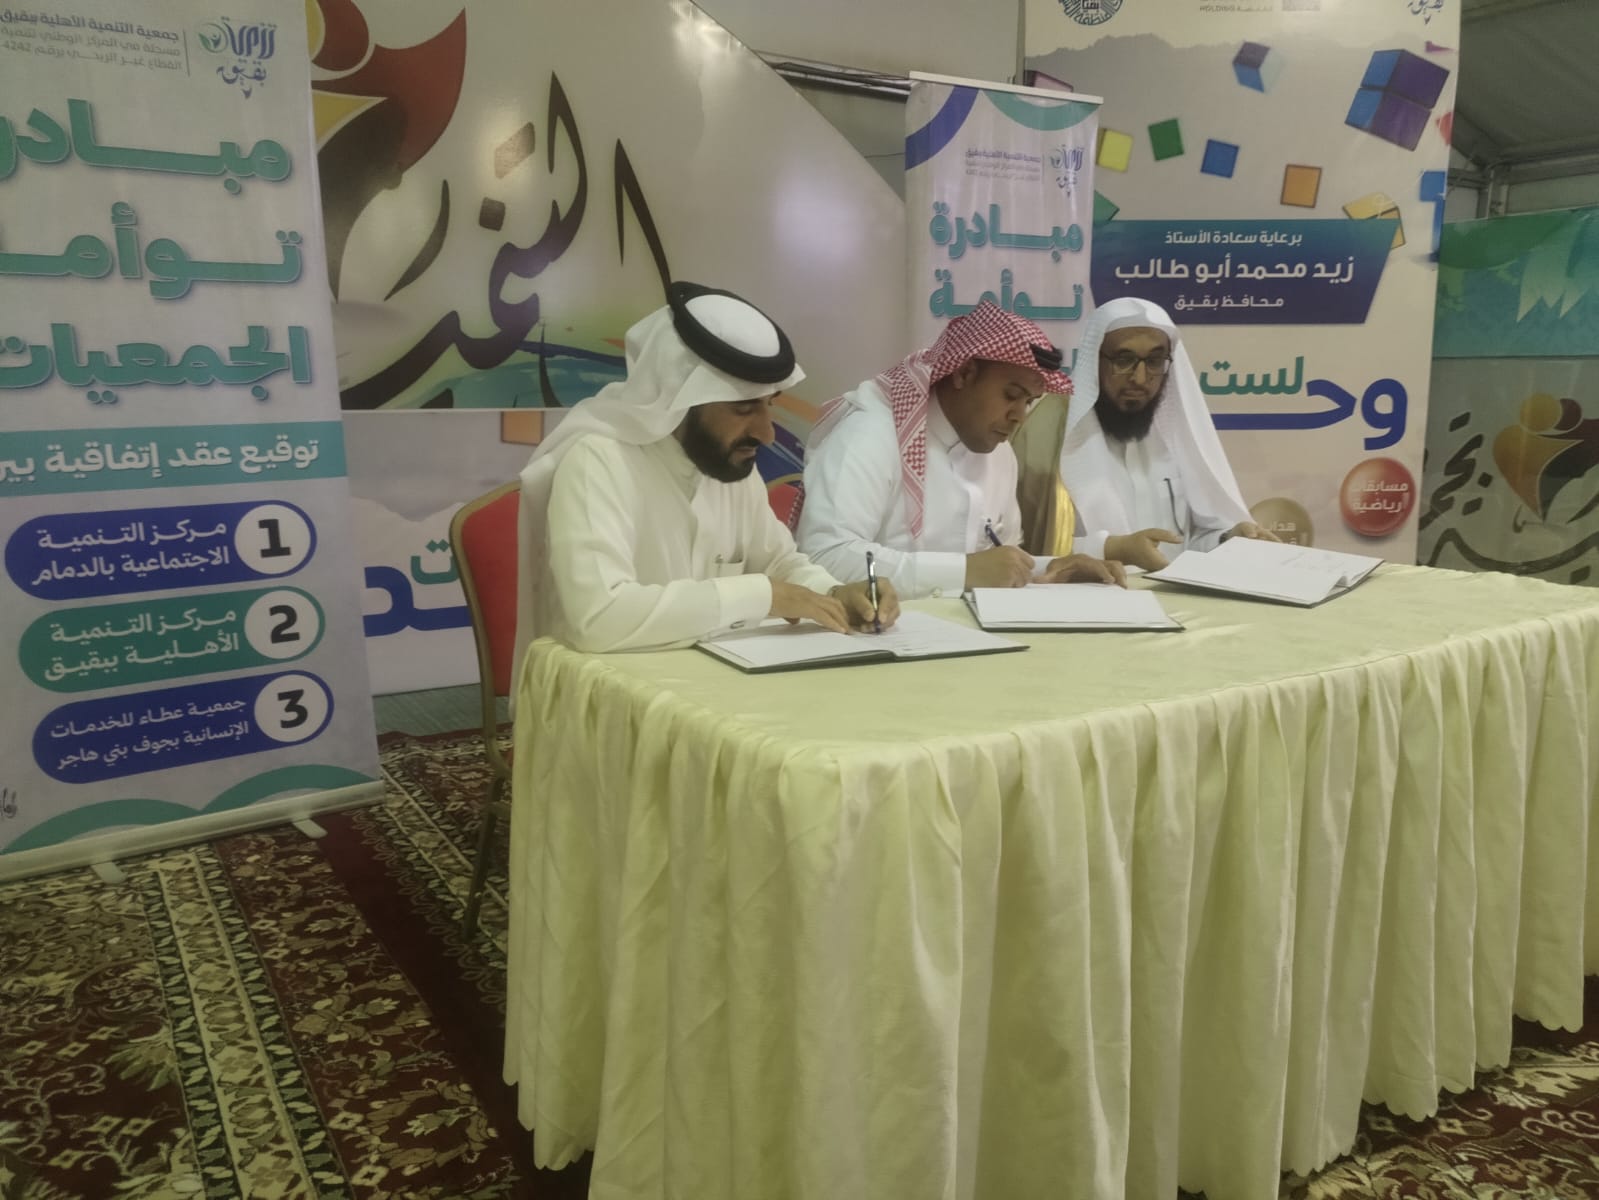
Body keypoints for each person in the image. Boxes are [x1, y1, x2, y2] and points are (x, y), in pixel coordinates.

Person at [513, 282, 898, 665]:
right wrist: (760, 595)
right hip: (614, 692)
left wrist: (832, 594)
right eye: (744, 409)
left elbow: (778, 564)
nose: (766, 433)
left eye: (768, 405)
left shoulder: (729, 465)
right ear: (680, 400)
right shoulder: (597, 462)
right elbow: (597, 618)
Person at [796, 302, 1122, 598]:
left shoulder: (999, 452)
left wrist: (1050, 569)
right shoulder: (869, 435)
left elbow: (998, 564)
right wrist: (963, 572)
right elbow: (824, 556)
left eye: (1028, 402)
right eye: (1011, 395)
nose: (1020, 416)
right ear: (964, 373)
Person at [1011, 296, 1278, 571]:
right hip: (1088, 593)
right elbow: (1030, 546)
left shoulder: (1174, 434)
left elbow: (1187, 543)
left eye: (1154, 361)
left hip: (1172, 593)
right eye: (1124, 360)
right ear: (1094, 360)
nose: (1139, 378)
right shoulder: (1050, 433)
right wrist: (1112, 549)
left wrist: (1226, 539)